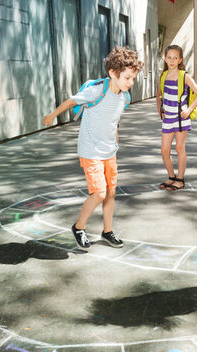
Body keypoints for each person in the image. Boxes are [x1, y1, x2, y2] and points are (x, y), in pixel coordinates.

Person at [42, 46, 143, 249]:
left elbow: (113, 120)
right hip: (90, 149)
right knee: (99, 193)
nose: (131, 83)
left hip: (109, 150)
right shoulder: (97, 90)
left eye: (133, 78)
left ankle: (107, 231)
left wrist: (115, 139)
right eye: (127, 78)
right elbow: (71, 102)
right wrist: (52, 116)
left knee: (111, 192)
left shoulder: (124, 97)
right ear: (113, 73)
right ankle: (79, 227)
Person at [157, 45, 197, 191]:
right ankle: (171, 177)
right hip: (168, 117)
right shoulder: (163, 76)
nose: (171, 60)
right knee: (164, 150)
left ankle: (180, 179)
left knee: (179, 147)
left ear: (180, 60)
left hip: (181, 117)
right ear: (165, 59)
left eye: (175, 58)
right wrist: (160, 110)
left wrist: (189, 110)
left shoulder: (184, 76)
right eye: (169, 57)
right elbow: (159, 96)